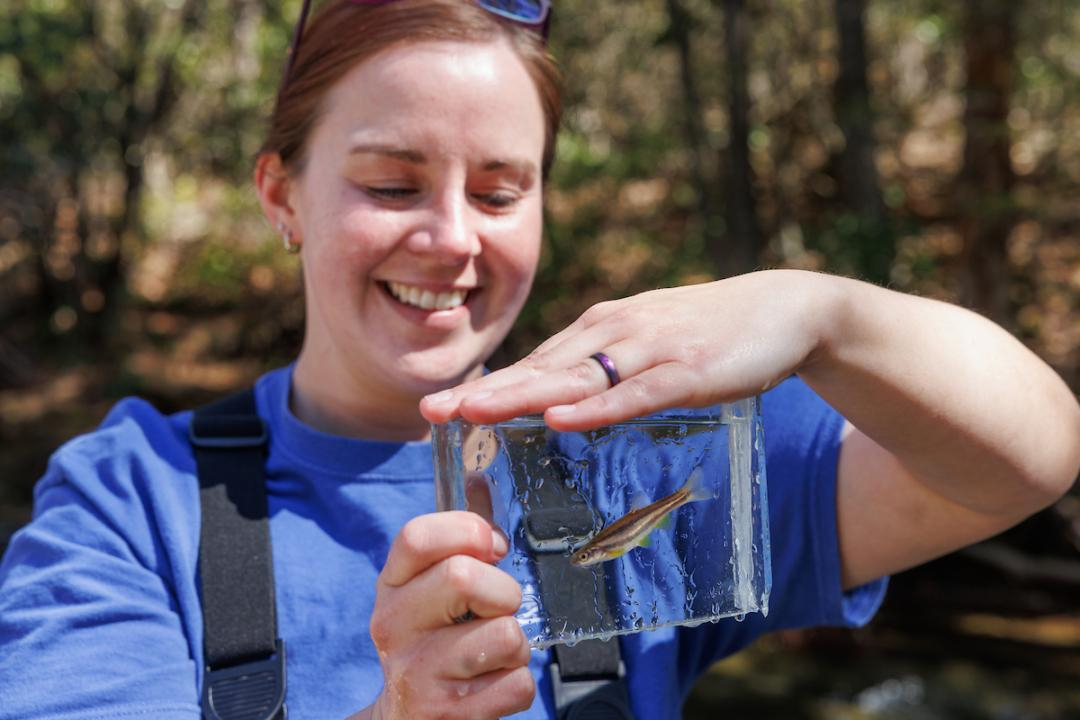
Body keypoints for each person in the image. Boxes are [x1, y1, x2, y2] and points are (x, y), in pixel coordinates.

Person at [0, 1, 1077, 719]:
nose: (454, 237)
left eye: (503, 190)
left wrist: (822, 311)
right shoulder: (132, 500)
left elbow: (1028, 456)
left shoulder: (641, 462)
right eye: (391, 182)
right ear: (281, 193)